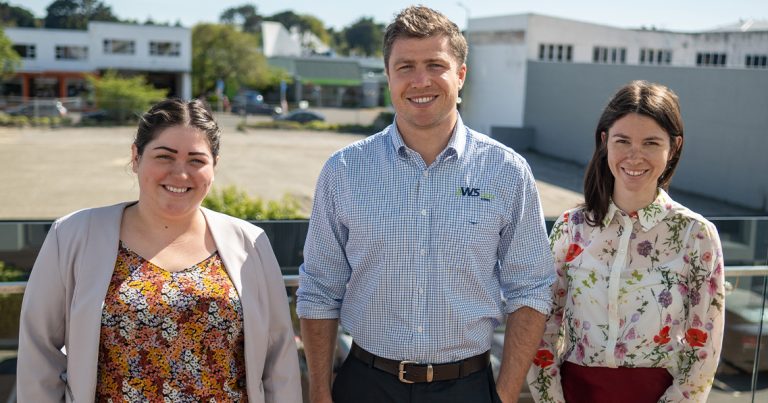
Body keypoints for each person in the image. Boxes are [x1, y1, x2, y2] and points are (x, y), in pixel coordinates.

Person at [297, 6, 555, 403]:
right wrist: (319, 391)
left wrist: (502, 396)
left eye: (436, 64)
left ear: (461, 75)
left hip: (467, 387)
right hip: (366, 385)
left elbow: (531, 288)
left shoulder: (507, 171)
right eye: (405, 67)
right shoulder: (344, 170)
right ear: (388, 77)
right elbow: (319, 287)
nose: (420, 81)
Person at [17, 99, 302, 403]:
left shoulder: (249, 243)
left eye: (196, 160)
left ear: (214, 166)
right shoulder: (74, 235)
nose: (180, 174)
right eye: (164, 156)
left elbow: (278, 361)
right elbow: (39, 354)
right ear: (136, 157)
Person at [526, 81, 725, 403]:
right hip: (576, 393)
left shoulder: (696, 235)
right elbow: (544, 328)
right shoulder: (570, 227)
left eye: (650, 143)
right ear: (604, 142)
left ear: (673, 147)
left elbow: (705, 345)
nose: (635, 156)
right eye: (623, 141)